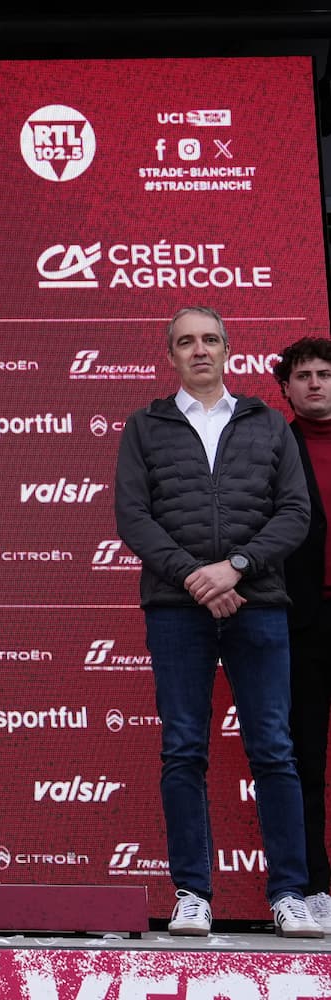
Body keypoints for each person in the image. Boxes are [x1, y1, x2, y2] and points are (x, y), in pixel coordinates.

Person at [114, 306, 321, 938]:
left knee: (275, 750)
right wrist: (195, 579)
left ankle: (290, 893)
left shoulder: (266, 424)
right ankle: (193, 893)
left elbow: (294, 512)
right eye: (186, 342)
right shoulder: (145, 426)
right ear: (170, 355)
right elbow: (134, 517)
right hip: (179, 612)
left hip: (257, 604)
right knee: (183, 749)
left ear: (228, 349)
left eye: (209, 340)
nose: (198, 350)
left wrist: (234, 567)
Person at [275, 336, 331, 931]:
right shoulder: (274, 442)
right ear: (285, 387)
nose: (315, 383)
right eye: (304, 375)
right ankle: (316, 885)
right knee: (303, 760)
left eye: (324, 373)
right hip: (301, 619)